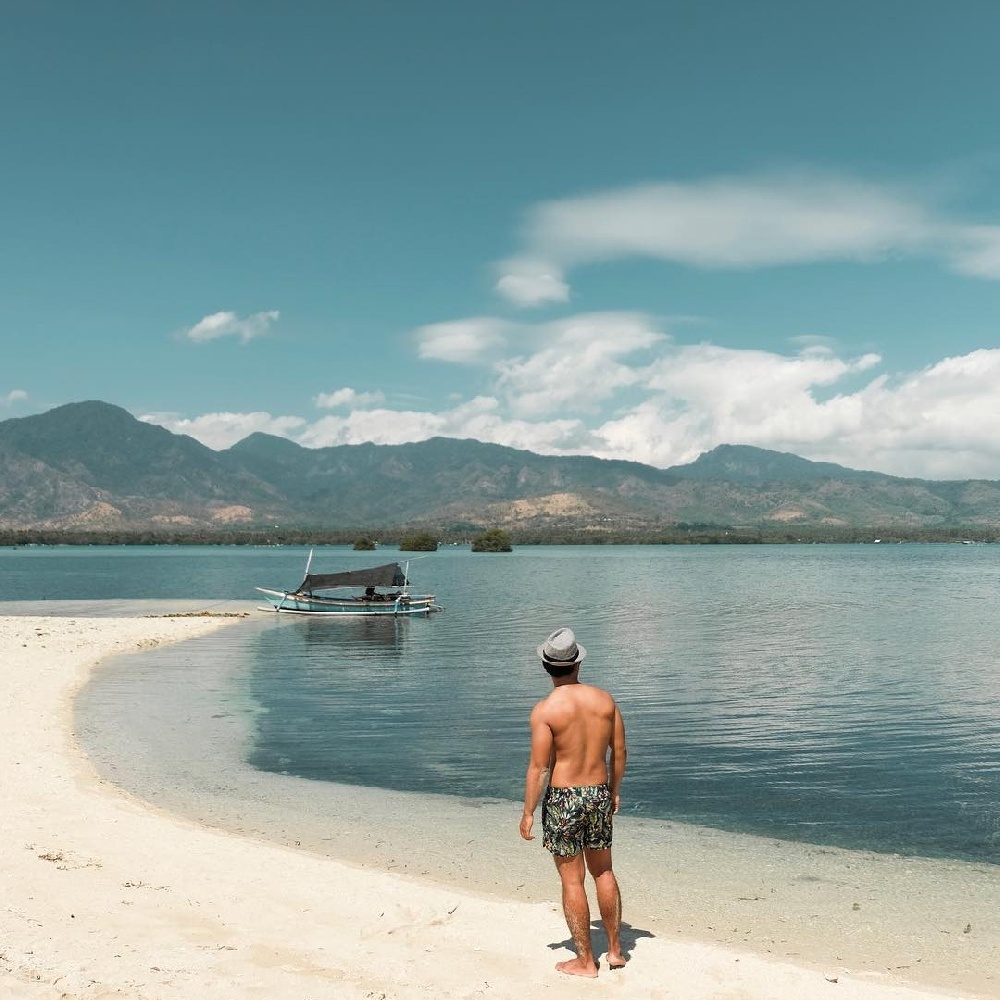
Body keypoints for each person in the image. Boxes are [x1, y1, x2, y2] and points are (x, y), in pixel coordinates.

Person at [519, 627, 627, 977]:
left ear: (546, 666)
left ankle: (585, 961)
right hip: (598, 792)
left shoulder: (545, 710)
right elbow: (619, 752)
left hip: (564, 798)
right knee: (604, 871)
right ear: (578, 663)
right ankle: (615, 951)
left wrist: (528, 811)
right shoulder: (605, 701)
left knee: (572, 881)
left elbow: (539, 768)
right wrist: (613, 790)